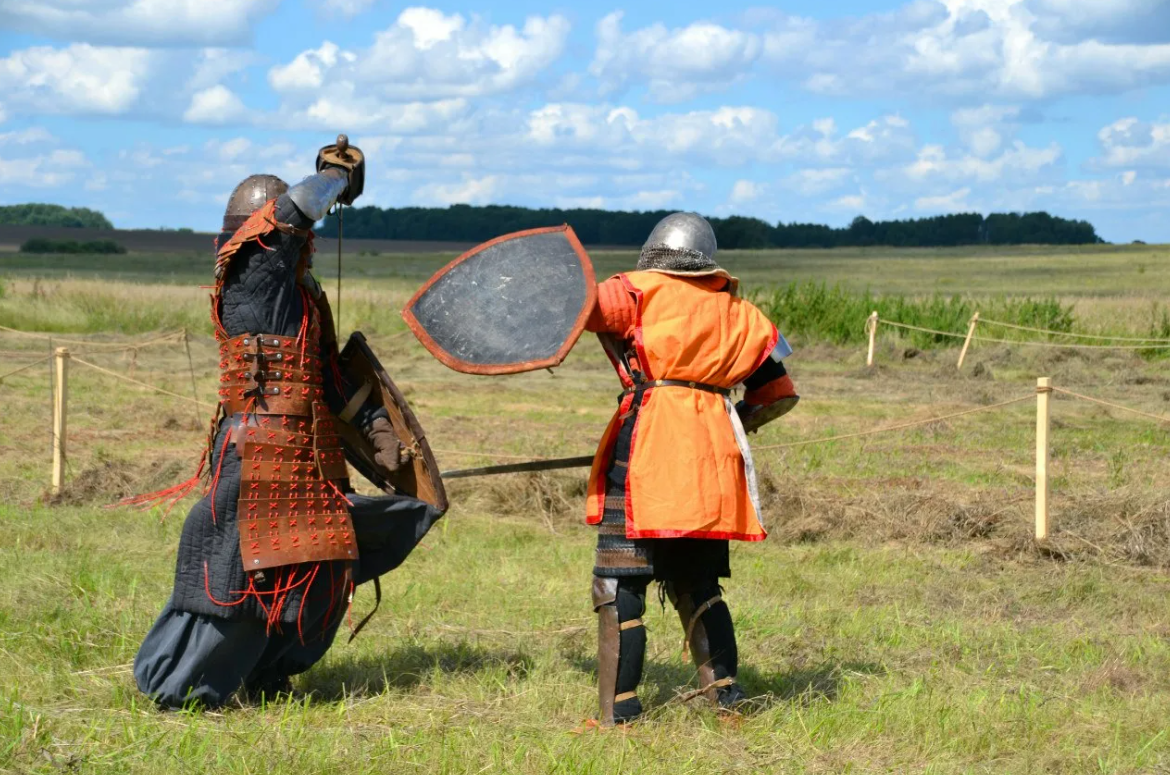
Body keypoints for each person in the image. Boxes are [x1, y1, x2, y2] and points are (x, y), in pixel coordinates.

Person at [131, 142, 445, 710]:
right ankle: (188, 689)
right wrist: (333, 178)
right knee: (239, 574)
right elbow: (293, 212)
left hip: (311, 451)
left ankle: (267, 673)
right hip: (259, 450)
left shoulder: (301, 298)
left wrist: (376, 427)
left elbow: (327, 376)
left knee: (325, 565)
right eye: (288, 237)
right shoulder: (249, 273)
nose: (300, 246)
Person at [582, 211, 797, 725]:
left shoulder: (633, 291)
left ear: (656, 252)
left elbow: (572, 305)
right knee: (699, 582)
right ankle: (726, 701)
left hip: (645, 452)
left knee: (619, 581)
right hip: (713, 460)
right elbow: (778, 394)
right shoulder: (743, 314)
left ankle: (619, 715)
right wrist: (726, 423)